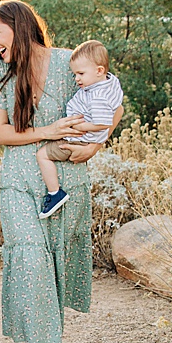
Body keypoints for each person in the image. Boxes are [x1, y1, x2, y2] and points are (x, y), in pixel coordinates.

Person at [0, 0, 123, 343]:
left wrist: (93, 146)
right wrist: (47, 130)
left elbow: (115, 103)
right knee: (32, 263)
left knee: (52, 266)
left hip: (66, 178)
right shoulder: (1, 73)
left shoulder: (69, 62)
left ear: (19, 26)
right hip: (20, 180)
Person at [36, 40, 124, 218]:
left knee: (42, 155)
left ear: (99, 71)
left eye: (81, 74)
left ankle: (55, 194)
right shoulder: (108, 83)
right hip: (84, 134)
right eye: (75, 74)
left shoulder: (99, 96)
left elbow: (103, 122)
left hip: (79, 137)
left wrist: (81, 126)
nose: (77, 79)